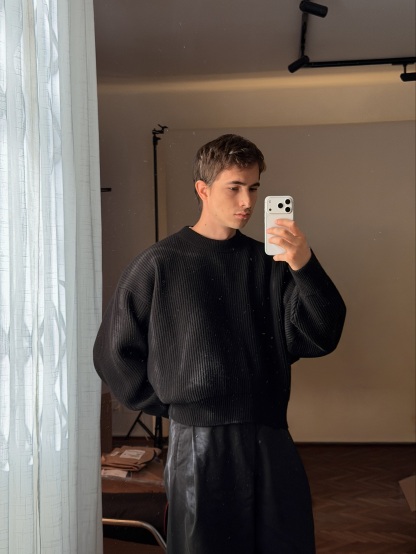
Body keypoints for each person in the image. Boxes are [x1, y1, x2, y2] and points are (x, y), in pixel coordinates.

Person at [93, 134, 346, 554]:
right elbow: (113, 353)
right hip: (198, 442)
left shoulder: (271, 262)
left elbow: (322, 334)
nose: (247, 201)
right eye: (235, 187)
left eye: (254, 188)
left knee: (284, 543)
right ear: (203, 189)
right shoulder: (159, 263)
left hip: (269, 432)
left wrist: (303, 263)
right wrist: (177, 405)